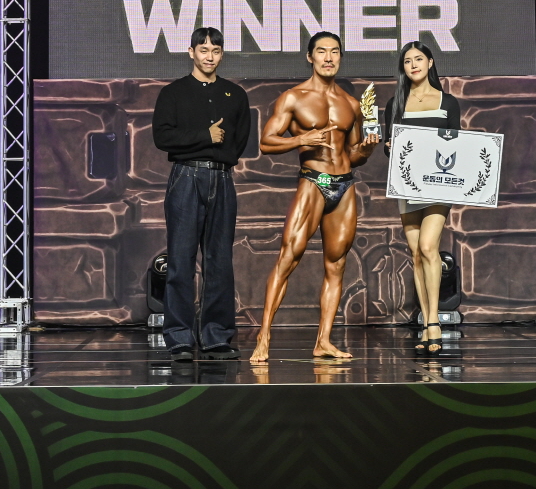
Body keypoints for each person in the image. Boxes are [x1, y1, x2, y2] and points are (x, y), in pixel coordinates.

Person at [251, 31, 380, 362]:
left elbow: (352, 155)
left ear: (340, 57)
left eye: (334, 52)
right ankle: (264, 336)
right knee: (288, 257)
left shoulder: (351, 104)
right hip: (313, 181)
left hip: (345, 185)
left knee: (336, 264)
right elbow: (266, 142)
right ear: (310, 57)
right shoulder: (293, 98)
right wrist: (302, 139)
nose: (328, 58)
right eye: (322, 51)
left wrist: (366, 150)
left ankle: (323, 341)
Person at [150, 27, 250, 362]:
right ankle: (179, 338)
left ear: (222, 54)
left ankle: (215, 337)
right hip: (186, 177)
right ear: (191, 52)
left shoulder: (235, 95)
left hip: (221, 177)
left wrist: (215, 151)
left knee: (219, 261)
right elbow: (163, 137)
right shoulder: (173, 93)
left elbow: (238, 142)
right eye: (203, 50)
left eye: (216, 51)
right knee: (180, 261)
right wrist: (204, 137)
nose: (210, 56)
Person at [381, 41, 460, 356]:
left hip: (439, 185)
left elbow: (458, 144)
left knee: (429, 247)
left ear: (430, 62)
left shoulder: (447, 101)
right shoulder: (395, 103)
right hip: (407, 185)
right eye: (407, 61)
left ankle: (434, 321)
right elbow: (390, 149)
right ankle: (426, 322)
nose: (413, 64)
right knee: (416, 253)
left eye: (418, 59)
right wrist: (389, 146)